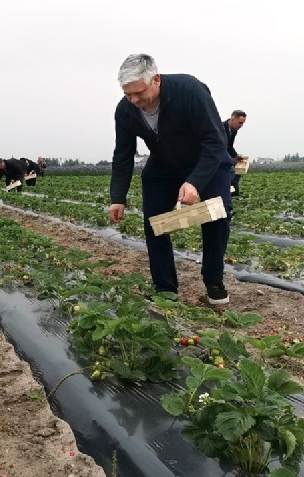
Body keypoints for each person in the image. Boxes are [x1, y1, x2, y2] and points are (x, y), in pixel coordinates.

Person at [108, 54, 233, 305]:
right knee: (155, 222)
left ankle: (213, 282)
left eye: (138, 93)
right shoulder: (125, 110)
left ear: (156, 79)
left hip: (206, 160)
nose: (133, 100)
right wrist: (117, 197)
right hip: (163, 164)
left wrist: (195, 181)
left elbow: (215, 140)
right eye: (127, 94)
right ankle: (165, 289)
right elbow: (123, 154)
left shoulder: (189, 90)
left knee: (218, 214)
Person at [223, 110, 247, 196]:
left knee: (236, 174)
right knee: (231, 172)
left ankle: (233, 194)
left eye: (243, 123)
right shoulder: (221, 128)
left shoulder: (233, 130)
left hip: (225, 155)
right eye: (240, 123)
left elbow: (229, 146)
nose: (241, 126)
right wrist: (231, 160)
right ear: (232, 119)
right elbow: (221, 148)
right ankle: (231, 194)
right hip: (218, 156)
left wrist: (237, 156)